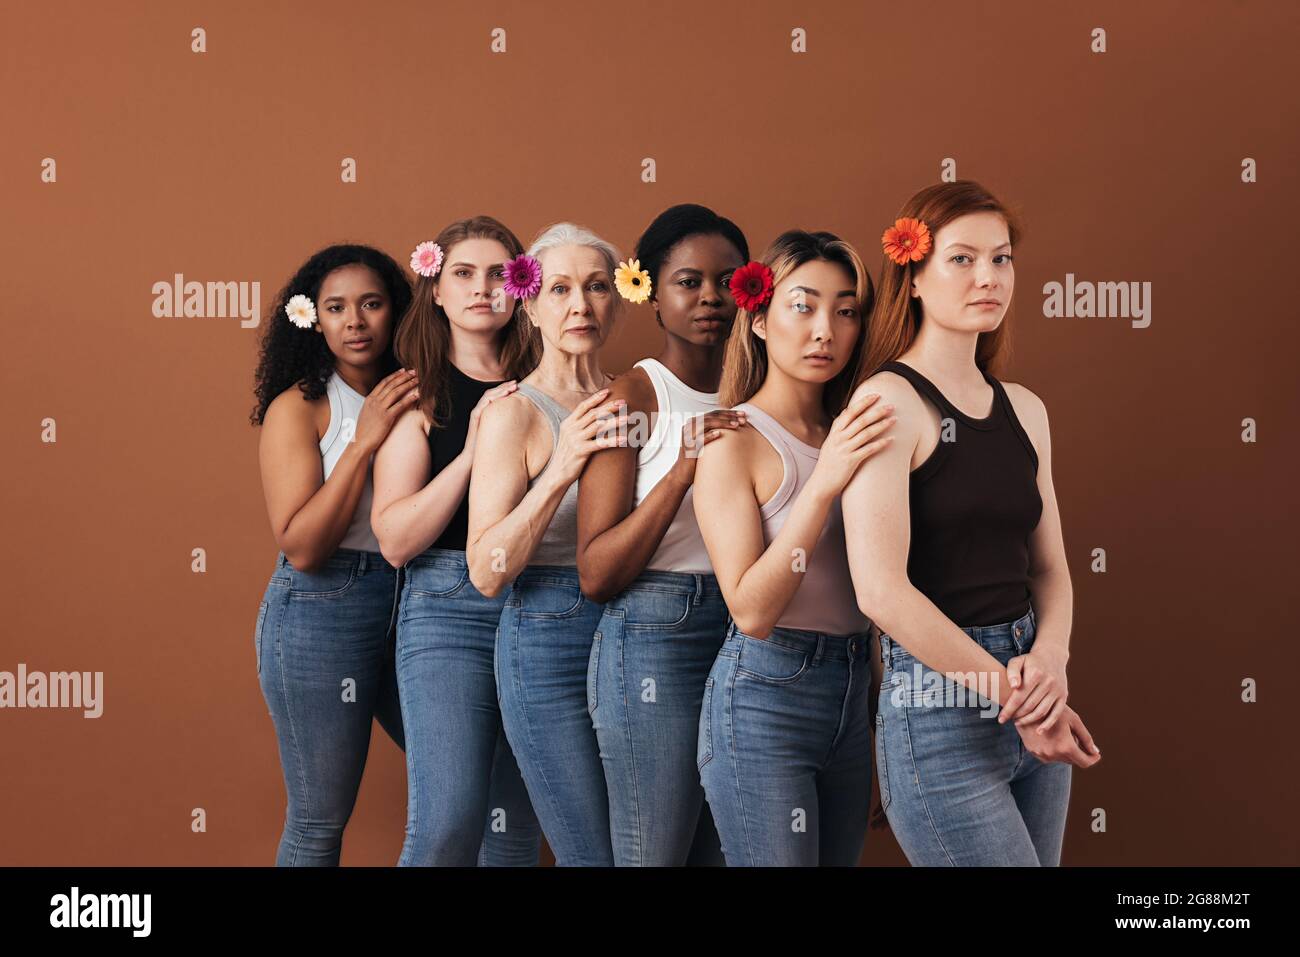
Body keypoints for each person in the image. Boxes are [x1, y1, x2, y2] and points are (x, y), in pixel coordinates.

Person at [844, 180, 1101, 866]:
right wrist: (1016, 695)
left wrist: (1049, 661)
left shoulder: (1025, 409)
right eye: (962, 259)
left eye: (1002, 258)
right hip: (939, 712)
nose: (988, 277)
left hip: (1031, 693)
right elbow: (881, 591)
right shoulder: (888, 401)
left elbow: (1048, 568)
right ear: (916, 275)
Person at [693, 230, 895, 865]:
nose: (824, 330)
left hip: (854, 687)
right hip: (766, 695)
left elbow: (883, 586)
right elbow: (751, 611)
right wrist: (824, 483)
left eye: (845, 310)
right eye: (802, 305)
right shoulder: (736, 439)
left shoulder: (857, 430)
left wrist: (887, 723)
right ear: (758, 318)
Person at [577, 204, 750, 866]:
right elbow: (595, 572)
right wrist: (681, 471)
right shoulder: (637, 395)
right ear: (648, 291)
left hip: (746, 636)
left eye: (728, 280)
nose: (710, 297)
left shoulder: (763, 393)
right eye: (688, 281)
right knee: (656, 852)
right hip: (657, 637)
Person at [370, 216, 543, 866]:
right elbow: (395, 538)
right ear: (436, 291)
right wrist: (474, 449)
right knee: (448, 822)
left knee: (516, 834)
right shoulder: (417, 395)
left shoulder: (548, 390)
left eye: (498, 274)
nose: (481, 288)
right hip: (448, 612)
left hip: (537, 606)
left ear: (522, 287)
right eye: (463, 274)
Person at [250, 244, 415, 865]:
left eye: (371, 304)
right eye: (336, 307)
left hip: (415, 600)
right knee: (320, 819)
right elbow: (303, 546)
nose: (355, 321)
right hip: (322, 609)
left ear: (396, 313)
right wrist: (365, 440)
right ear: (312, 318)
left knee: (470, 779)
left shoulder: (417, 389)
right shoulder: (300, 405)